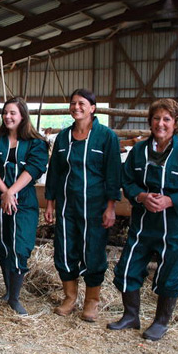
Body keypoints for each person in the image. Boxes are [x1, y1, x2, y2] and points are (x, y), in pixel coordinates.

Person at [108, 98, 178, 340]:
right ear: (149, 121)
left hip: (175, 227)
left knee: (170, 275)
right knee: (127, 269)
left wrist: (170, 200)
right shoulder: (139, 151)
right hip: (143, 225)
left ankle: (161, 322)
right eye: (156, 118)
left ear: (176, 123)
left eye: (166, 119)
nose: (160, 124)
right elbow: (127, 181)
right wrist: (141, 196)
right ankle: (131, 316)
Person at [44, 88, 121, 322]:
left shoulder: (106, 137)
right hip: (67, 206)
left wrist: (111, 207)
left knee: (94, 251)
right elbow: (54, 173)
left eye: (82, 103)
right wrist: (49, 204)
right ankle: (69, 298)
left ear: (93, 108)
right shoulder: (63, 138)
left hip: (95, 207)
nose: (76, 107)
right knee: (65, 249)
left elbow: (113, 174)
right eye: (73, 103)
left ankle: (91, 302)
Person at [0, 98, 49, 314]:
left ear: (22, 116)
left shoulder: (36, 142)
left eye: (13, 113)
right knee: (2, 244)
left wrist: (12, 192)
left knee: (20, 246)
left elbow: (34, 168)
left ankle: (15, 298)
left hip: (24, 200)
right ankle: (9, 291)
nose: (8, 117)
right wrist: (4, 191)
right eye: (5, 113)